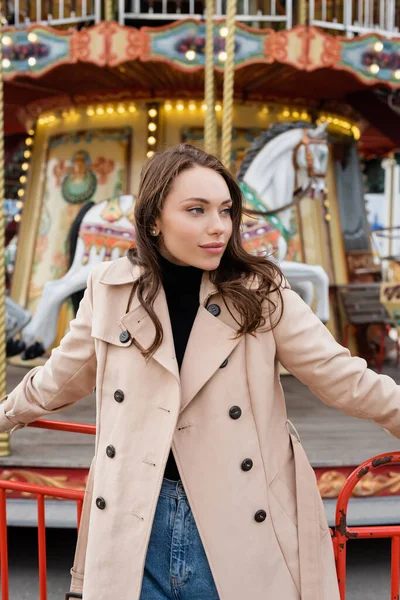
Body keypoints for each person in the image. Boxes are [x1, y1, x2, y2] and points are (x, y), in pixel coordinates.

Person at [1, 143, 400, 600]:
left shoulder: (261, 292)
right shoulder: (110, 290)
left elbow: (342, 377)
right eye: (196, 210)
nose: (218, 227)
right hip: (136, 520)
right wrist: (6, 414)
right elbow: (60, 377)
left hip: (232, 517)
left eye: (226, 211)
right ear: (153, 219)